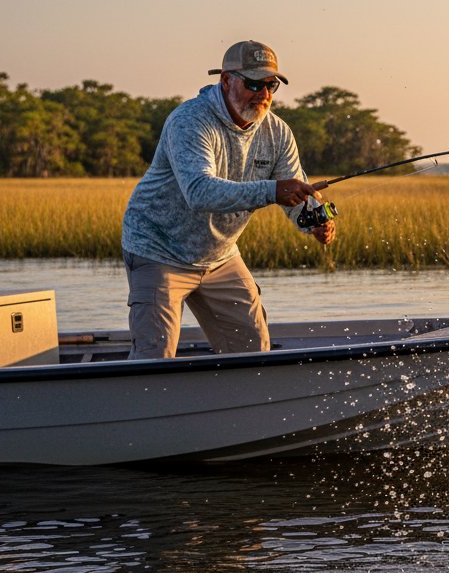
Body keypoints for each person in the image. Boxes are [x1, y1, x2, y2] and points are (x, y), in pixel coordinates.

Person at [120, 40, 335, 359]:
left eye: (271, 85)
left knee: (253, 351)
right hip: (158, 250)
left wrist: (314, 220)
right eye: (253, 84)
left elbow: (297, 189)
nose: (264, 94)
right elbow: (199, 191)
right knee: (155, 358)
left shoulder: (278, 133)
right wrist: (273, 190)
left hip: (219, 255)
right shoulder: (190, 121)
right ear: (226, 80)